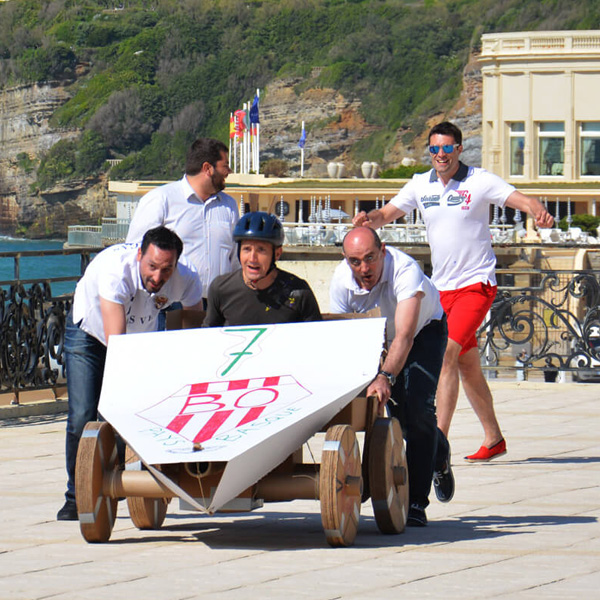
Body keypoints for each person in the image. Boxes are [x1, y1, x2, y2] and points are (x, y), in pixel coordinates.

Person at [353, 121, 554, 462]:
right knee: (467, 365)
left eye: (447, 148)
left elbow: (520, 198)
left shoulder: (479, 181)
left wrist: (537, 209)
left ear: (459, 149)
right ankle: (494, 438)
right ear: (429, 152)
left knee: (445, 353)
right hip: (440, 289)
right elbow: (387, 213)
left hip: (476, 285)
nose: (441, 155)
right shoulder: (421, 185)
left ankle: (435, 445)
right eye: (435, 149)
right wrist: (367, 219)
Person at [57, 227, 203, 521]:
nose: (158, 277)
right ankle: (77, 494)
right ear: (139, 255)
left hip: (139, 337)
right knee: (85, 412)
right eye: (151, 267)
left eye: (166, 269)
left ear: (176, 265)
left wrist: (181, 362)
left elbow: (194, 322)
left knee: (134, 413)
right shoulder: (116, 272)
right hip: (91, 333)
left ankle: (126, 480)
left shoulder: (187, 279)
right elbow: (117, 345)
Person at [330, 227, 452, 527]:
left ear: (383, 250)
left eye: (370, 258)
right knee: (398, 415)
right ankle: (438, 449)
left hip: (423, 332)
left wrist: (385, 375)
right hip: (377, 338)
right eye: (355, 261)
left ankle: (415, 503)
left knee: (418, 410)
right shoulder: (341, 281)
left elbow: (406, 335)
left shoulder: (406, 270)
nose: (364, 268)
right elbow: (342, 338)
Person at [126, 137, 239, 307]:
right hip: (169, 304)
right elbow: (135, 250)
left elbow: (235, 258)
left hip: (219, 305)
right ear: (208, 168)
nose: (228, 171)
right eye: (225, 166)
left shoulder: (229, 206)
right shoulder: (160, 199)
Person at [204, 212, 322, 326]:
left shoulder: (299, 293)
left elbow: (314, 340)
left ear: (277, 254)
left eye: (261, 250)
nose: (252, 258)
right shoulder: (221, 289)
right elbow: (209, 337)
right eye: (246, 249)